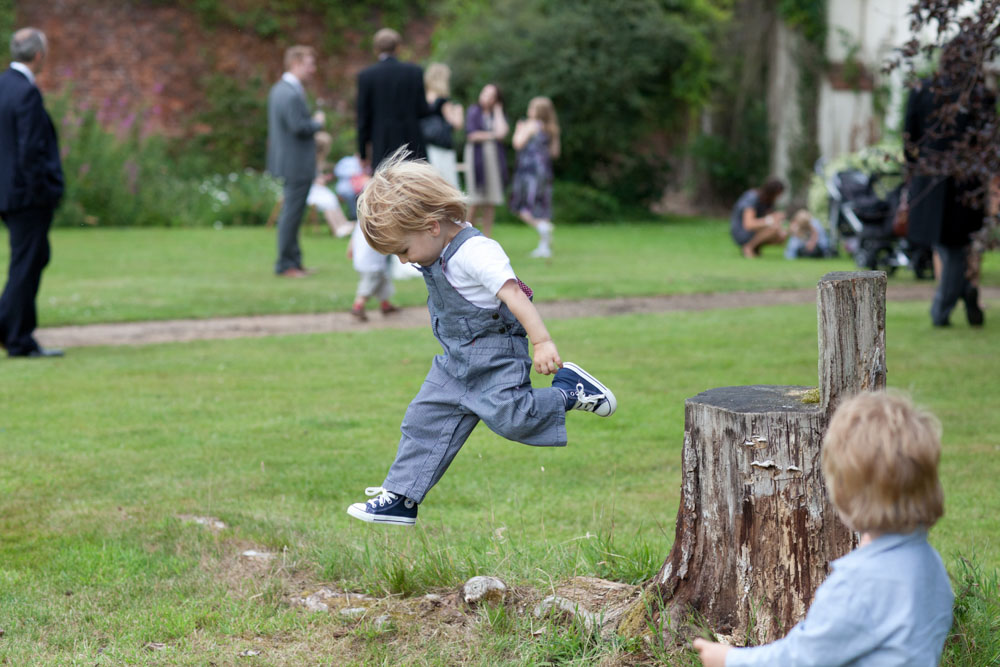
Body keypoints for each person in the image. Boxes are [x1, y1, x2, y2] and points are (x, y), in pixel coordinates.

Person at [346, 152, 617, 526]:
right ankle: (401, 499)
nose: (406, 261)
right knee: (422, 419)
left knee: (514, 419)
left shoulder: (476, 253)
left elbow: (515, 295)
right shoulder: (434, 252)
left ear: (431, 226)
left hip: (495, 356)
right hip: (455, 362)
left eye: (403, 251)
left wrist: (542, 343)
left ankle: (570, 390)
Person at [694, 392, 953, 667]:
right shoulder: (928, 564)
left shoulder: (857, 583)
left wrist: (730, 660)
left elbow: (802, 659)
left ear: (843, 492)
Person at [904, 42, 993, 327]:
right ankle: (964, 292)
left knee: (950, 248)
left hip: (936, 179)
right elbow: (988, 144)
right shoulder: (979, 95)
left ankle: (941, 311)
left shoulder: (923, 91)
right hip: (964, 183)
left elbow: (910, 140)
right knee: (955, 247)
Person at [0, 27, 64, 358]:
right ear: (39, 55)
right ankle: (18, 338)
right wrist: (43, 191)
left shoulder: (2, 86)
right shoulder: (26, 92)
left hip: (7, 193)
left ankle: (10, 327)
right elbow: (30, 151)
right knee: (26, 263)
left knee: (33, 258)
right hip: (27, 197)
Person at [267, 45, 326, 278]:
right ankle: (286, 265)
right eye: (309, 64)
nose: (313, 69)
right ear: (296, 63)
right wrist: (318, 123)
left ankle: (295, 262)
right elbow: (298, 127)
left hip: (290, 161)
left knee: (294, 213)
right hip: (296, 163)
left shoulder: (281, 89)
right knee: (291, 215)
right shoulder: (289, 93)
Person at [356, 28, 429, 172]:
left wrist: (363, 153)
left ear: (376, 49)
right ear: (398, 47)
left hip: (382, 144)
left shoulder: (366, 76)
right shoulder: (414, 72)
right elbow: (423, 110)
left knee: (385, 188)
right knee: (416, 188)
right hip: (412, 143)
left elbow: (363, 118)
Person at [510, 96, 560, 258]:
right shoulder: (551, 128)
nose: (528, 110)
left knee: (522, 206)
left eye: (531, 108)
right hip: (545, 171)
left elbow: (517, 143)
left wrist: (519, 129)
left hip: (529, 171)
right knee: (541, 206)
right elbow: (555, 153)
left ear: (537, 111)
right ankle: (544, 247)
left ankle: (542, 228)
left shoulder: (531, 125)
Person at [464, 83, 509, 237]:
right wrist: (492, 135)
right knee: (475, 199)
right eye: (485, 93)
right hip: (477, 158)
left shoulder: (495, 114)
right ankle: (468, 233)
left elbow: (503, 132)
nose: (486, 97)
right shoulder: (474, 111)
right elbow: (472, 135)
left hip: (493, 159)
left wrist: (498, 111)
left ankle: (487, 237)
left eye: (491, 95)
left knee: (490, 200)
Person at [422, 63, 463, 188]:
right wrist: (458, 111)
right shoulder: (443, 100)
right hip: (442, 145)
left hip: (426, 144)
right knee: (447, 183)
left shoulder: (423, 97)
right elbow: (456, 124)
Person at [347, 219, 399, 321]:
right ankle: (358, 306)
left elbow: (354, 237)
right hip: (371, 263)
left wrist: (350, 249)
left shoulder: (362, 220)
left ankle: (385, 305)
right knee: (368, 284)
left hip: (364, 260)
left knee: (383, 282)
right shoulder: (376, 222)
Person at [306, 131, 353, 237]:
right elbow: (309, 178)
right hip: (311, 190)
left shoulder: (318, 159)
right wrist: (320, 180)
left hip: (317, 189)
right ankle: (336, 228)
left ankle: (342, 223)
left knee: (331, 198)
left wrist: (322, 178)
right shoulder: (310, 159)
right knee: (328, 201)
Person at [730, 179, 788, 258]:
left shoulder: (767, 202)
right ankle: (748, 247)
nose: (779, 197)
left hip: (753, 231)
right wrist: (771, 220)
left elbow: (767, 220)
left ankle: (755, 248)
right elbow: (748, 224)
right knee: (773, 228)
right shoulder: (752, 198)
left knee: (780, 233)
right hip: (741, 232)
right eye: (778, 194)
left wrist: (779, 225)